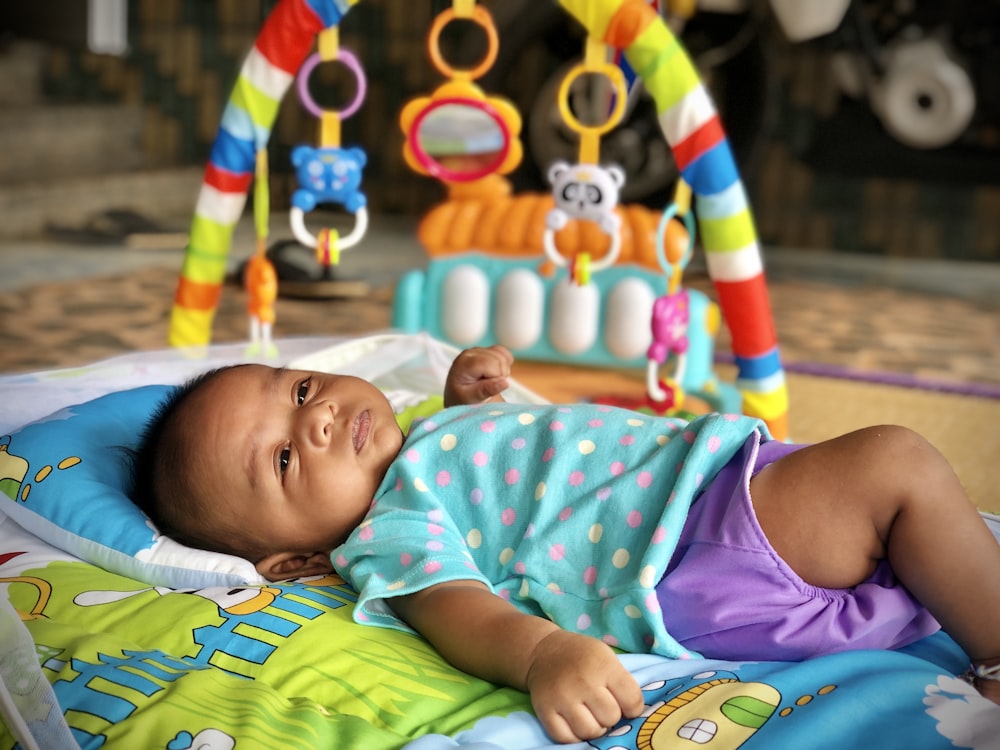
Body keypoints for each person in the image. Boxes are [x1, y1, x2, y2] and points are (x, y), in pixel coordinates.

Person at [131, 345, 1000, 743]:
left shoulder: (425, 446)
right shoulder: (386, 535)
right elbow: (459, 606)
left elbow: (502, 489)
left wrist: (463, 405)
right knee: (900, 465)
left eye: (303, 387)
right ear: (297, 563)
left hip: (716, 498)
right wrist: (545, 653)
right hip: (695, 539)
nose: (316, 417)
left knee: (912, 522)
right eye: (283, 458)